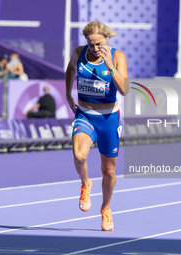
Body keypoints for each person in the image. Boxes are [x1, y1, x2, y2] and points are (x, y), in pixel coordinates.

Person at [65, 21, 128, 231]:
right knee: (79, 155)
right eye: (91, 44)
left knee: (108, 171)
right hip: (85, 114)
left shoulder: (118, 57)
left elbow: (125, 89)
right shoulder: (79, 53)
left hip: (108, 118)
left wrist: (109, 65)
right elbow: (70, 68)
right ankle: (85, 183)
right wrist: (68, 93)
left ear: (106, 39)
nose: (95, 48)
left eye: (98, 44)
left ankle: (106, 208)